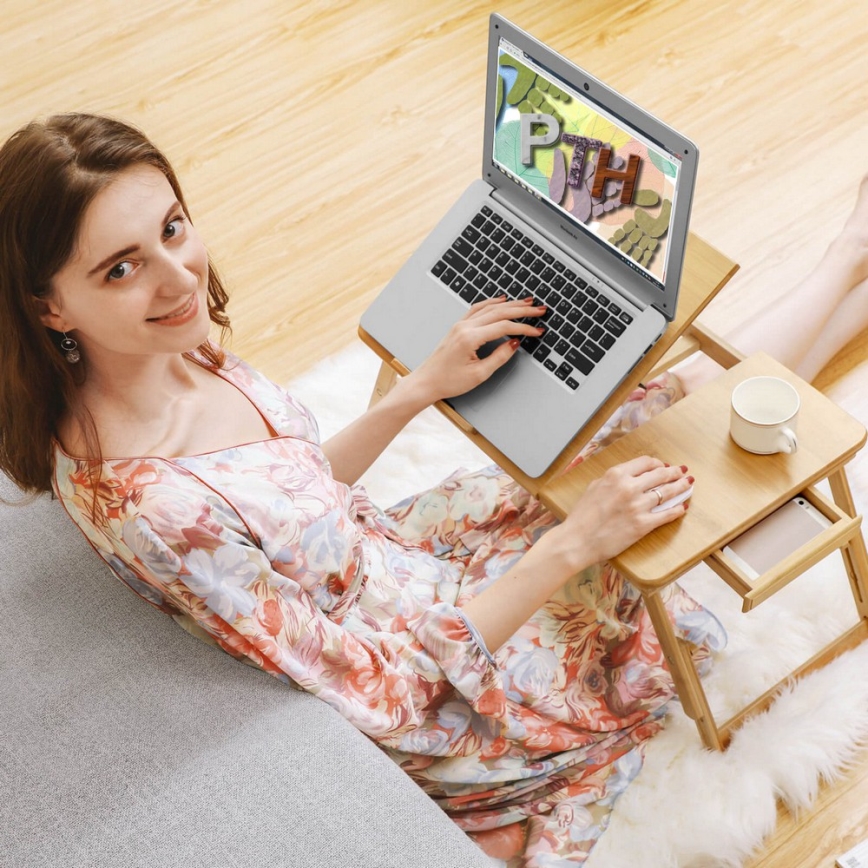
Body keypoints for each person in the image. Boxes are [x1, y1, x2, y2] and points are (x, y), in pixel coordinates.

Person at [0, 113, 865, 867]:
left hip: (398, 559)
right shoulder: (159, 512)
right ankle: (846, 265)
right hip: (442, 681)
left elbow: (296, 494)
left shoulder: (153, 353)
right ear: (49, 308)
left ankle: (841, 275)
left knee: (624, 417)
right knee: (648, 482)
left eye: (174, 228)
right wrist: (573, 544)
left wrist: (421, 386)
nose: (180, 278)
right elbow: (387, 693)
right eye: (121, 267)